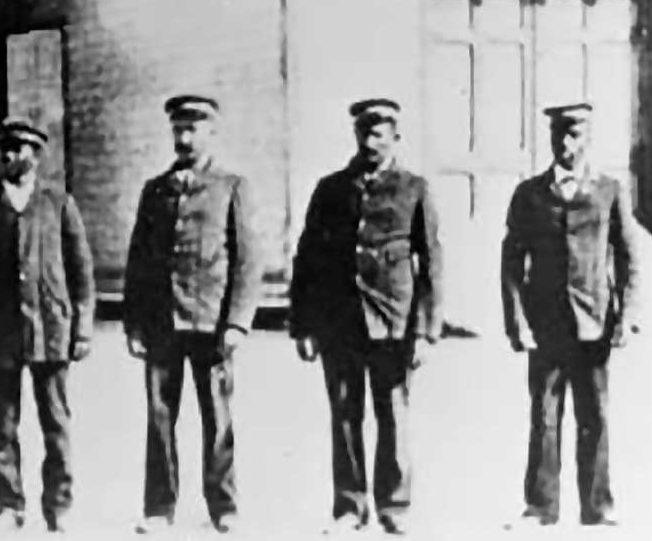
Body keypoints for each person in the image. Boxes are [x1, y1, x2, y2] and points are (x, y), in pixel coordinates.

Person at [289, 98, 443, 536]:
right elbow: (307, 258)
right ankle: (349, 507)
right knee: (344, 413)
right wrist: (302, 324)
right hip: (340, 322)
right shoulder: (331, 189)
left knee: (393, 413)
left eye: (380, 133)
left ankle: (394, 506)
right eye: (365, 132)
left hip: (393, 323)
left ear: (396, 136)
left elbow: (431, 262)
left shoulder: (414, 188)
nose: (371, 141)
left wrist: (427, 332)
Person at [124, 94, 262, 534]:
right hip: (163, 322)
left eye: (193, 129)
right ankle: (159, 508)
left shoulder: (231, 187)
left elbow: (247, 260)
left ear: (211, 132)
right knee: (160, 418)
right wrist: (135, 324)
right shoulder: (155, 191)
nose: (184, 138)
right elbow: (139, 263)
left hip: (212, 323)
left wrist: (238, 321)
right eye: (178, 129)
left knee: (217, 419)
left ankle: (224, 507)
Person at [500, 103, 638, 529]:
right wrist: (517, 322)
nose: (567, 143)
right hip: (545, 327)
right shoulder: (530, 194)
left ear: (588, 137)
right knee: (544, 415)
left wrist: (627, 315)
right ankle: (541, 506)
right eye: (560, 134)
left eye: (575, 134)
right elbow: (511, 263)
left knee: (594, 416)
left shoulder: (609, 190)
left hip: (594, 324)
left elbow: (629, 258)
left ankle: (598, 507)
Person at [0, 118, 96, 533]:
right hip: (1, 331)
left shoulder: (58, 203)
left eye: (20, 149)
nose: (10, 156)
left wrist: (83, 328)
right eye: (5, 149)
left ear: (36, 156)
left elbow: (81, 270)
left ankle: (60, 505)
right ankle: (8, 505)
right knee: (2, 421)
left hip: (50, 329)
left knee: (55, 421)